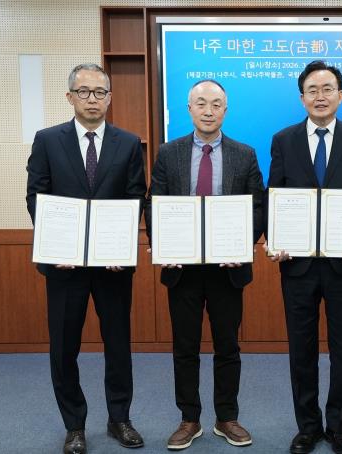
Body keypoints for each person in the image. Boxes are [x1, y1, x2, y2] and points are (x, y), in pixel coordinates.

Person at [26, 63, 146, 454]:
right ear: (70, 97)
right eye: (84, 91)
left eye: (99, 92)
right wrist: (54, 244)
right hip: (65, 267)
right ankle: (74, 425)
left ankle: (119, 419)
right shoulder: (47, 140)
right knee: (64, 348)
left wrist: (122, 245)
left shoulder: (129, 143)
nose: (92, 99)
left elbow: (135, 197)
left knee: (118, 344)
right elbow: (36, 195)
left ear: (109, 98)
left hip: (113, 267)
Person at [266, 60, 342, 454]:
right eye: (312, 90)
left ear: (340, 95)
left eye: (327, 88)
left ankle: (339, 428)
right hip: (297, 264)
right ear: (302, 98)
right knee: (302, 349)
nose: (320, 96)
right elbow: (275, 194)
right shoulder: (283, 140)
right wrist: (276, 237)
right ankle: (308, 427)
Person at [144, 80, 264, 450]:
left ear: (225, 110)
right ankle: (189, 418)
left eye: (215, 104)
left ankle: (227, 417)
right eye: (201, 103)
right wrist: (163, 244)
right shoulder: (169, 153)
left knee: (228, 346)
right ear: (189, 108)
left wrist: (243, 243)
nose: (208, 110)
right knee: (185, 346)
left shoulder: (245, 154)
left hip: (228, 268)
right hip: (183, 269)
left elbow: (258, 206)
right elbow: (154, 203)